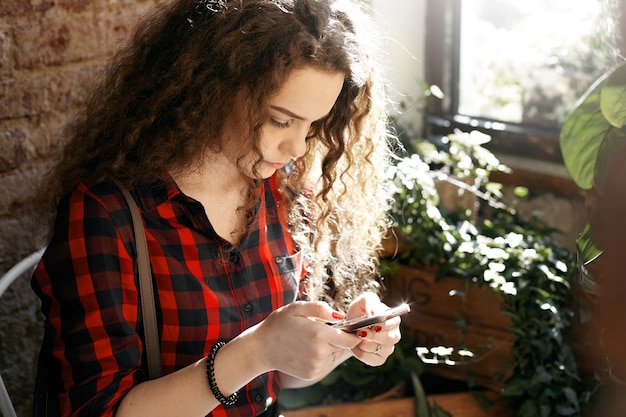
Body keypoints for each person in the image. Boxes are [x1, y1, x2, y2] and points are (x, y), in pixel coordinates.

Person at [31, 0, 400, 416]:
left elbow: (283, 376)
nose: (297, 147)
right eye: (280, 120)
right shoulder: (107, 215)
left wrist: (342, 339)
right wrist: (254, 350)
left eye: (313, 124)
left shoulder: (285, 192)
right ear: (213, 88)